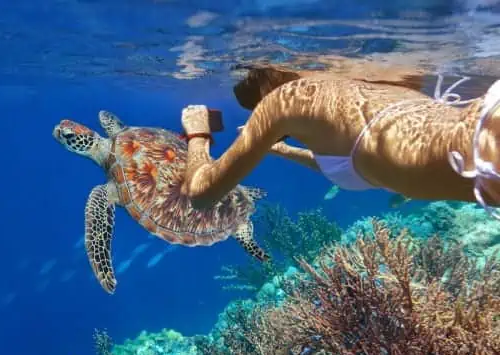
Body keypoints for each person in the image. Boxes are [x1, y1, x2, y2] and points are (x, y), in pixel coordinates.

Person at [177, 64, 500, 219]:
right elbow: (354, 162)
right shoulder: (374, 79)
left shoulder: (286, 99)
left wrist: (197, 134)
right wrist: (283, 150)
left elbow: (201, 195)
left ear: (266, 85)